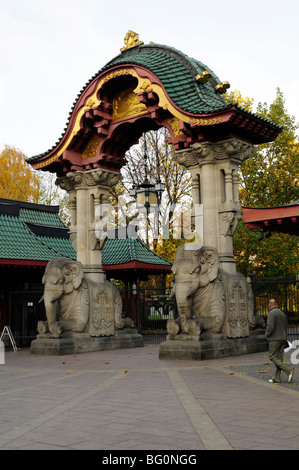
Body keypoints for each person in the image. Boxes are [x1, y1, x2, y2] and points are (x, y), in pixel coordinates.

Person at [265, 299, 294, 384]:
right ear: (276, 304)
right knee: (279, 359)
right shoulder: (282, 314)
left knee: (272, 356)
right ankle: (276, 378)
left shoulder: (271, 313)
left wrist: (267, 335)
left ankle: (288, 370)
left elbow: (270, 326)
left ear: (269, 305)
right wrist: (285, 338)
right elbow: (285, 327)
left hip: (275, 339)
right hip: (282, 338)